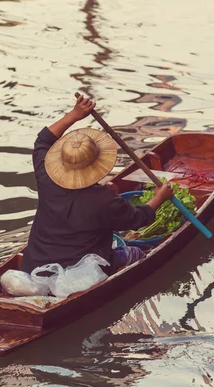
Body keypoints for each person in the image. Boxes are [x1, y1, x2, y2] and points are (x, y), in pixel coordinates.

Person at [20, 95, 173, 276]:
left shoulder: (46, 175)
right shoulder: (104, 199)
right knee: (137, 253)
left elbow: (43, 140)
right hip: (79, 274)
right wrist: (159, 198)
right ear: (95, 165)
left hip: (35, 266)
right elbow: (139, 219)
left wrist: (74, 114)